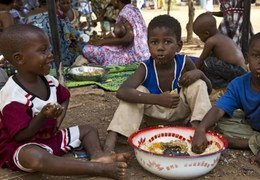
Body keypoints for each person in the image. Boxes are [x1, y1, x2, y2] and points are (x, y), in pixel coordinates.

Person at [0, 24, 131, 179]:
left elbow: (65, 96)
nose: (50, 55)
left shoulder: (49, 81)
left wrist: (56, 122)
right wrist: (43, 116)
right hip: (22, 146)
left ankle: (98, 156)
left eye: (49, 49)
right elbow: (20, 136)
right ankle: (97, 168)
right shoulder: (13, 96)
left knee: (88, 130)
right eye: (43, 51)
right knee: (35, 157)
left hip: (50, 138)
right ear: (19, 58)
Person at [104, 15, 212, 153]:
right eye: (154, 42)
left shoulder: (185, 62)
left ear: (178, 46)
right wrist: (158, 100)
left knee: (197, 84)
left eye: (167, 42)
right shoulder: (145, 67)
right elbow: (122, 92)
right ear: (148, 45)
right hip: (154, 118)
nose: (160, 48)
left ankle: (199, 131)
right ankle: (110, 144)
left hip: (180, 115)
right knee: (138, 90)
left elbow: (207, 90)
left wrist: (200, 75)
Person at [192, 31, 260, 168]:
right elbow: (219, 109)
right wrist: (200, 129)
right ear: (247, 58)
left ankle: (242, 143)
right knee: (220, 121)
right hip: (252, 124)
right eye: (256, 55)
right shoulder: (239, 83)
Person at [79, 0, 150, 66]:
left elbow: (128, 38)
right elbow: (125, 33)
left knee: (87, 49)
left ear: (116, 1)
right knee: (103, 47)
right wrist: (108, 38)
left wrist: (103, 41)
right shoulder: (133, 9)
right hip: (143, 53)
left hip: (136, 57)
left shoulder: (125, 12)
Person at [193, 13, 247, 89]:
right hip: (241, 71)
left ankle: (223, 86)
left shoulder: (211, 41)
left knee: (208, 62)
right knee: (210, 61)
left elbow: (201, 60)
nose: (199, 39)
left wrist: (192, 72)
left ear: (206, 33)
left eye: (199, 36)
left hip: (237, 71)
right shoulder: (221, 37)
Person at [26, 1, 85, 67]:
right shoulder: (58, 14)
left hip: (38, 61)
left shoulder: (29, 15)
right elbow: (71, 35)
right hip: (58, 62)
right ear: (56, 2)